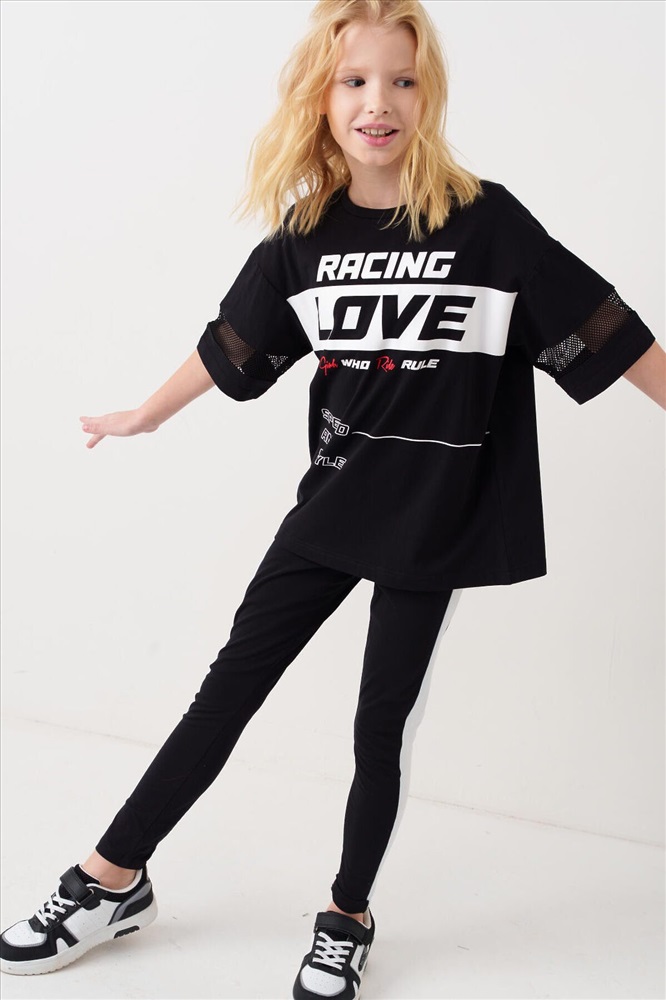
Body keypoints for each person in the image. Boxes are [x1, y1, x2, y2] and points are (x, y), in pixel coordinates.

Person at [1, 0, 664, 997]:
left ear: (427, 96)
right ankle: (111, 879)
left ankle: (346, 915)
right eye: (355, 81)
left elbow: (610, 331)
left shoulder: (487, 222)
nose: (377, 102)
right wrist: (146, 413)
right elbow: (233, 344)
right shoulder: (306, 235)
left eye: (401, 80)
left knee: (377, 726)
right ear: (323, 96)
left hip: (436, 517)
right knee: (226, 692)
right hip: (333, 506)